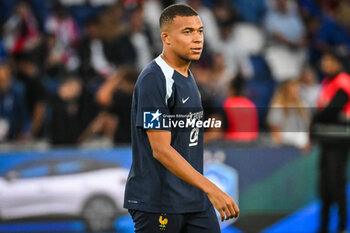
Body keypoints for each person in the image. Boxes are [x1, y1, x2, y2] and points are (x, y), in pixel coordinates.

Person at [124, 4, 239, 233]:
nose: (197, 39)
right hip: (159, 201)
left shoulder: (187, 76)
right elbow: (161, 150)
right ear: (166, 38)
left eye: (200, 31)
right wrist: (212, 189)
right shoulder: (154, 79)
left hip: (192, 199)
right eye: (187, 32)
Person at [313, 52, 350, 233]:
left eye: (329, 60)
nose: (325, 64)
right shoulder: (326, 83)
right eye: (324, 60)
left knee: (337, 184)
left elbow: (331, 111)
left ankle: (342, 227)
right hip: (326, 139)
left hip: (340, 139)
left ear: (338, 63)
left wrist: (317, 117)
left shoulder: (343, 82)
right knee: (325, 187)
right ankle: (324, 228)